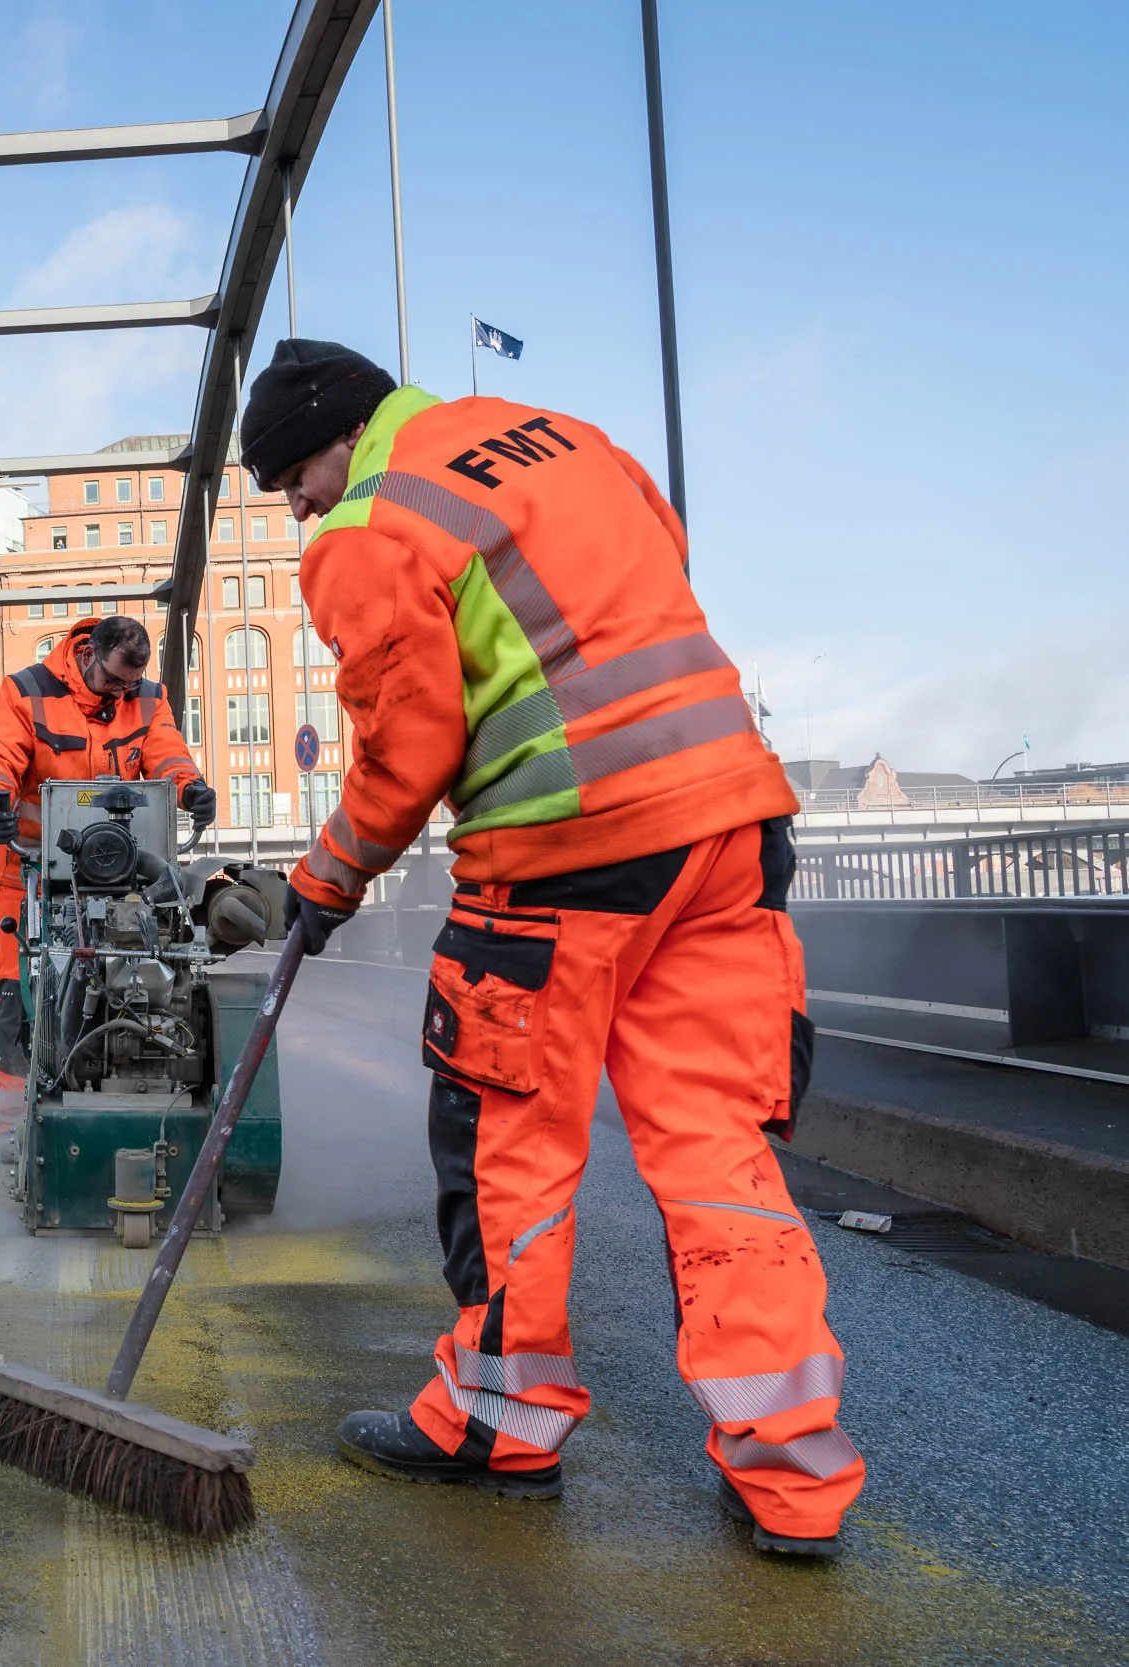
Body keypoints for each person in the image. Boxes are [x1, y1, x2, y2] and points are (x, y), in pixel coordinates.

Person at [241, 338, 859, 1558]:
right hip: (730, 824)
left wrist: (325, 878)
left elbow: (409, 744)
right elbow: (654, 566)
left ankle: (496, 1417)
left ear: (332, 437)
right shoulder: (561, 435)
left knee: (507, 1139)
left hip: (561, 856)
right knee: (716, 1150)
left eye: (286, 480)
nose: (293, 506)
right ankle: (790, 1471)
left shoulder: (366, 526)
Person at [0, 616, 215, 1111]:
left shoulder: (145, 697)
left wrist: (191, 788)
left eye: (131, 684)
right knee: (20, 988)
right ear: (88, 656)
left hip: (120, 872)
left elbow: (166, 752)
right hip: (32, 869)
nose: (121, 694)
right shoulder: (26, 692)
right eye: (114, 681)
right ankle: (14, 1117)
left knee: (151, 966)